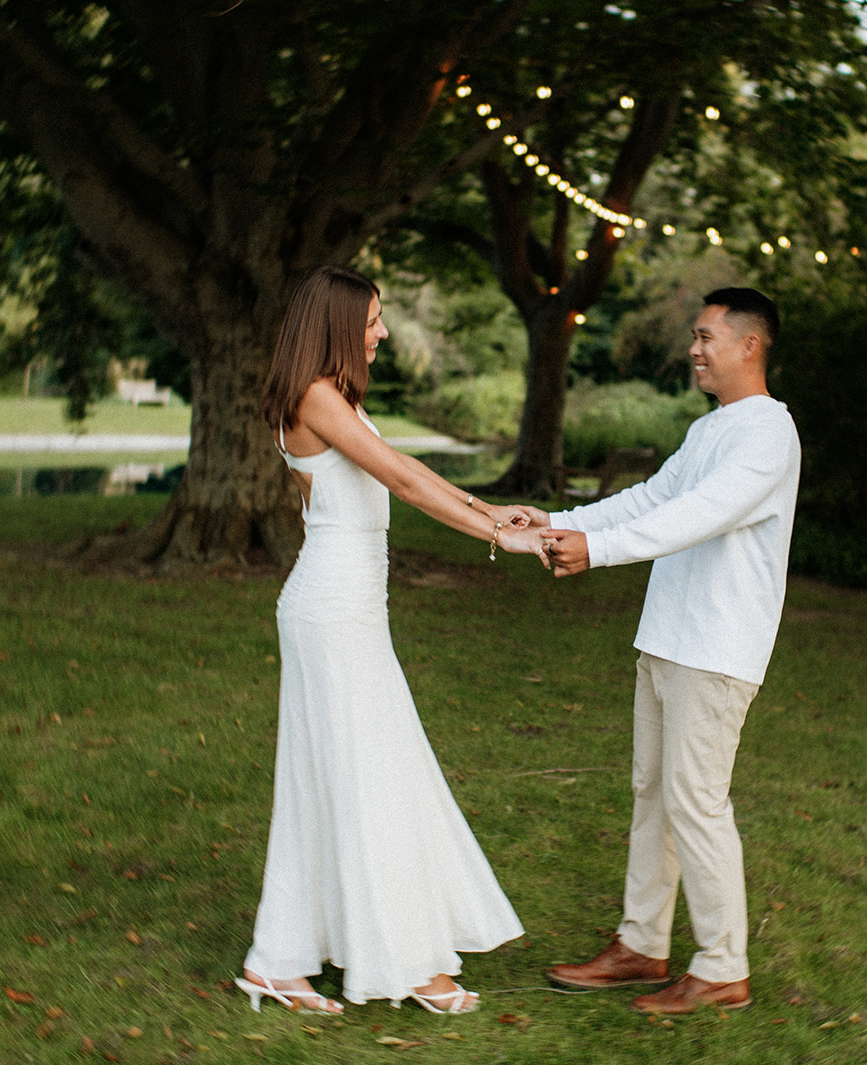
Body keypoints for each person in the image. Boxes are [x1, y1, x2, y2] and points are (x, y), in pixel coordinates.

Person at [239, 265, 544, 1016]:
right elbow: (403, 483)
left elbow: (408, 473)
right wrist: (497, 535)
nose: (381, 331)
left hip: (349, 610)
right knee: (364, 774)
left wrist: (489, 506)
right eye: (373, 319)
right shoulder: (315, 395)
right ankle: (403, 961)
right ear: (339, 323)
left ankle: (280, 959)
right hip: (331, 611)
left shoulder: (333, 397)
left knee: (342, 776)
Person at [526, 287, 801, 1015]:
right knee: (654, 795)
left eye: (707, 335)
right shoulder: (712, 427)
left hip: (717, 647)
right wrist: (557, 520)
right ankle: (641, 942)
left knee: (695, 801)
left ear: (750, 345)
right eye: (694, 335)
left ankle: (721, 966)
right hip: (668, 638)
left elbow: (697, 516)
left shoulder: (767, 433)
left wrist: (599, 549)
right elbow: (651, 499)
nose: (694, 347)